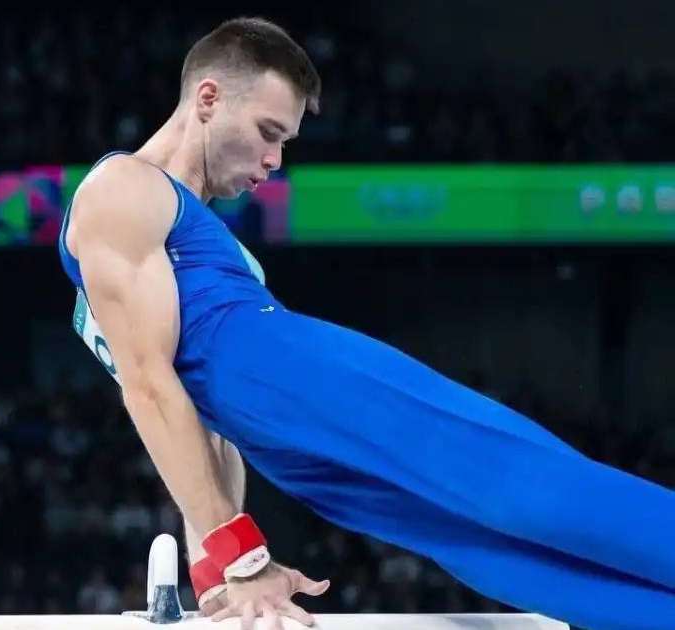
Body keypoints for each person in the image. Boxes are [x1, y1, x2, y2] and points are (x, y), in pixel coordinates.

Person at [56, 16, 675, 630]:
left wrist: (224, 562)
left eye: (284, 143)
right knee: (478, 543)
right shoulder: (126, 188)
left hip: (287, 396)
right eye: (269, 132)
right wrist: (231, 568)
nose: (274, 161)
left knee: (521, 493)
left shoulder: (195, 227)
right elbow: (151, 386)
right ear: (209, 99)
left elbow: (190, 420)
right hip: (287, 407)